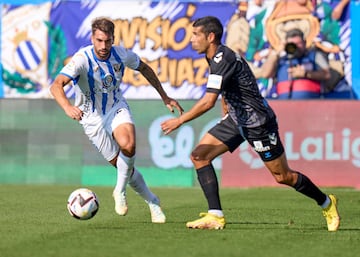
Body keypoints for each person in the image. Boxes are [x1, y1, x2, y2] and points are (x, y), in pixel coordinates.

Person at [161, 16, 340, 231]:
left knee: (283, 176)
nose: (191, 39)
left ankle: (327, 203)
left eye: (195, 34)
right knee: (199, 156)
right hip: (237, 119)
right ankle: (215, 215)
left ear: (210, 37)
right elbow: (226, 88)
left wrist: (180, 120)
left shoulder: (222, 58)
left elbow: (208, 101)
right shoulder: (214, 57)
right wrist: (226, 111)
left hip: (258, 123)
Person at [50, 17, 183, 223]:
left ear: (113, 39)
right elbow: (57, 85)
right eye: (99, 40)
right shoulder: (82, 59)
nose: (104, 46)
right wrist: (68, 107)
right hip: (91, 118)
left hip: (116, 107)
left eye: (108, 41)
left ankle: (119, 191)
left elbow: (145, 69)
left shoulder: (121, 55)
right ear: (92, 39)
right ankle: (153, 201)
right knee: (123, 167)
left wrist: (164, 96)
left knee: (128, 146)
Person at [261, 28, 331, 99]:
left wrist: (306, 74)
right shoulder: (281, 59)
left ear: (305, 43)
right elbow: (265, 74)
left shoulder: (314, 56)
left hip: (311, 104)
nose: (296, 47)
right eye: (292, 44)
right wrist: (276, 52)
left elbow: (327, 74)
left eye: (299, 43)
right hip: (284, 105)